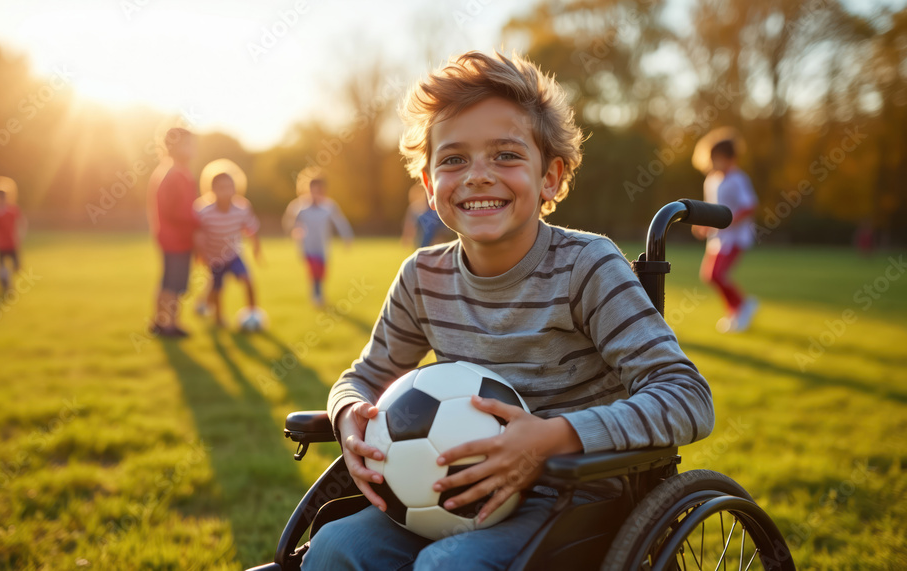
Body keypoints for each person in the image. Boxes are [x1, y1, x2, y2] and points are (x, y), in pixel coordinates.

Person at [302, 51, 715, 570]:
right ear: (429, 186)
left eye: (506, 155)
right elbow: (362, 378)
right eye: (453, 159)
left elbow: (688, 397)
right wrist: (349, 416)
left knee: (447, 567)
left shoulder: (586, 266)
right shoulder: (422, 277)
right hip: (447, 492)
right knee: (336, 548)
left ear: (550, 177)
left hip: (576, 496)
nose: (477, 176)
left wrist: (552, 438)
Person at [691, 129, 759, 333]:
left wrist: (729, 221)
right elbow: (711, 207)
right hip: (718, 238)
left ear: (729, 158)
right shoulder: (711, 180)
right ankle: (736, 310)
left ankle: (743, 305)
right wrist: (704, 224)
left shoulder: (738, 179)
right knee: (709, 275)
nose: (713, 163)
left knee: (718, 274)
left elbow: (749, 206)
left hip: (735, 237)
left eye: (717, 159)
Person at [193, 167, 262, 328]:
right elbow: (198, 235)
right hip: (214, 258)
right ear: (212, 191)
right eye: (221, 188)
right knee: (217, 289)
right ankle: (218, 318)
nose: (226, 191)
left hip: (234, 254)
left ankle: (252, 314)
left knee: (248, 280)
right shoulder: (204, 211)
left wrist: (256, 247)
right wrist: (201, 255)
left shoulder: (242, 208)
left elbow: (251, 228)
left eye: (230, 187)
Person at [148, 127, 199, 338]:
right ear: (172, 146)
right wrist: (199, 221)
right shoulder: (174, 173)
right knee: (173, 283)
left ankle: (165, 321)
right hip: (175, 238)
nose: (192, 148)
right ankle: (167, 324)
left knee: (170, 281)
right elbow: (179, 210)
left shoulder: (175, 171)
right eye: (187, 144)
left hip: (176, 237)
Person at [282, 169, 354, 307]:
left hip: (322, 246)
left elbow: (340, 222)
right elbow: (290, 221)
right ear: (308, 189)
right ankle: (316, 296)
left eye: (319, 190)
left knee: (321, 272)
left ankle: (318, 293)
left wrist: (347, 237)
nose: (315, 193)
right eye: (312, 190)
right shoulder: (301, 207)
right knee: (313, 269)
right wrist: (292, 231)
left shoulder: (329, 206)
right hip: (307, 246)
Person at [0, 176, 26, 292]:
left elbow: (21, 221)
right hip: (0, 243)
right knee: (2, 266)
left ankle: (6, 278)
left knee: (17, 267)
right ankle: (5, 283)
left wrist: (20, 234)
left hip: (12, 242)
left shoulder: (12, 209)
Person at [401, 183, 452, 248]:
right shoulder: (416, 210)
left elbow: (443, 232)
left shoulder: (437, 212)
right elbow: (410, 225)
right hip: (422, 244)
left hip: (434, 245)